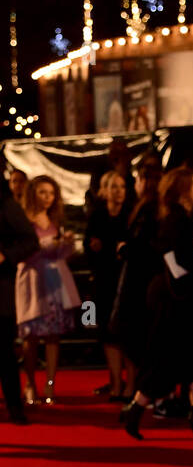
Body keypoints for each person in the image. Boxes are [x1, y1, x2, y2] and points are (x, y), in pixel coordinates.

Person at [121, 165, 193, 438]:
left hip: (190, 300)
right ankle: (136, 410)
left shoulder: (190, 218)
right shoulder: (176, 221)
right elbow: (176, 260)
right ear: (183, 192)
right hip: (178, 304)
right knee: (166, 362)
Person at [16, 175, 80, 405]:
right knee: (30, 338)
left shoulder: (55, 220)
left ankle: (50, 384)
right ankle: (30, 383)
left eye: (51, 193)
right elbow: (20, 251)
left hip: (55, 283)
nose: (47, 198)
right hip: (33, 283)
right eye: (42, 192)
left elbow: (60, 254)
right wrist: (44, 246)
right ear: (33, 193)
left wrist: (65, 245)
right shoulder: (24, 219)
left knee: (53, 337)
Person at [107, 161, 160, 398]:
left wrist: (125, 249)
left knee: (132, 334)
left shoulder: (149, 210)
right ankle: (144, 389)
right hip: (141, 280)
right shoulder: (146, 209)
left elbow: (144, 249)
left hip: (138, 282)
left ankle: (146, 390)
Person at [85, 169, 131, 400]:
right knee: (107, 332)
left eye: (122, 187)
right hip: (104, 280)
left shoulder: (132, 213)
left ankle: (131, 385)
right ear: (104, 190)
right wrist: (94, 247)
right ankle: (115, 382)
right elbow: (88, 246)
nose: (118, 192)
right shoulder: (97, 215)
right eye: (113, 187)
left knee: (128, 332)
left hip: (127, 279)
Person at [0, 172, 38, 423]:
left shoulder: (6, 205)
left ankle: (15, 406)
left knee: (3, 351)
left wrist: (5, 256)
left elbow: (30, 241)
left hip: (0, 288)